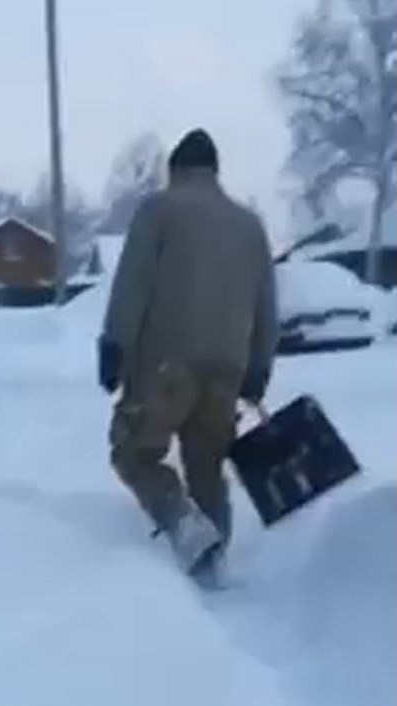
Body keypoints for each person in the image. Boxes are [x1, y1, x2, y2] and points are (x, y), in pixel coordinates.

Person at [98, 128, 279, 574]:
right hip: (227, 370)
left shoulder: (159, 210)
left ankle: (184, 526)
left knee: (134, 453)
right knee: (207, 464)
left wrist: (114, 344)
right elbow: (267, 304)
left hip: (166, 367)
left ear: (174, 170)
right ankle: (212, 558)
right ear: (215, 171)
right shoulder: (249, 225)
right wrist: (259, 367)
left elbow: (133, 284)